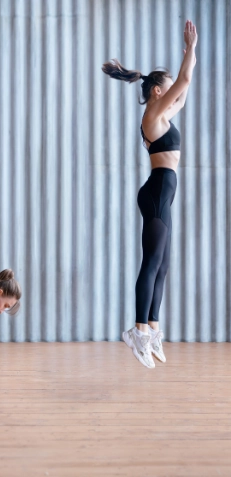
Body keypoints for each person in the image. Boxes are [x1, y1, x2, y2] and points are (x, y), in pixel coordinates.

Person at [102, 19, 197, 368]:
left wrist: (189, 53)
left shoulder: (163, 112)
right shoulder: (153, 113)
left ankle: (152, 326)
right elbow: (184, 83)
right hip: (157, 192)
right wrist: (192, 49)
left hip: (162, 193)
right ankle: (138, 329)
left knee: (163, 265)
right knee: (152, 262)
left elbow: (183, 93)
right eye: (168, 88)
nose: (173, 93)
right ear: (157, 91)